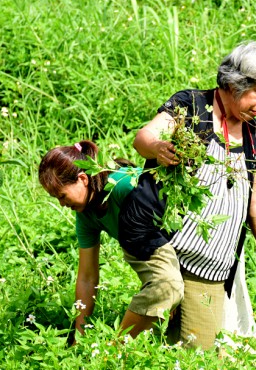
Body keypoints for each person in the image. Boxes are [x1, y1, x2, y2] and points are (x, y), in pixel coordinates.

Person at [129, 41, 256, 349]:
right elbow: (145, 137)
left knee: (196, 357)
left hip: (212, 266)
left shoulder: (254, 135)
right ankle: (111, 354)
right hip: (169, 251)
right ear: (234, 84)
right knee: (154, 335)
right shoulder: (191, 107)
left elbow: (255, 199)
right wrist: (158, 148)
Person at [38, 141, 184, 346]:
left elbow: (175, 221)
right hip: (151, 256)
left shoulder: (124, 186)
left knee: (168, 290)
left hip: (181, 244)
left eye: (62, 196)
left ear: (82, 179)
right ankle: (119, 352)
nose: (62, 204)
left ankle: (115, 349)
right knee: (167, 303)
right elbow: (87, 277)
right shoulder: (85, 216)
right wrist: (79, 335)